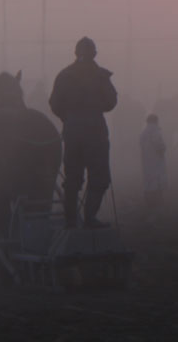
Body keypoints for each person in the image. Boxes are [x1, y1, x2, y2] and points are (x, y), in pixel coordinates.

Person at [49, 37, 118, 228]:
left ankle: (71, 221)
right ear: (94, 53)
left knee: (72, 179)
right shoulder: (100, 76)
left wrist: (68, 117)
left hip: (72, 133)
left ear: (75, 53)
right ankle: (89, 219)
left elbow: (54, 104)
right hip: (95, 132)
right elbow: (111, 103)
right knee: (100, 177)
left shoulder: (64, 75)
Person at [139, 113, 167, 209]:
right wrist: (163, 149)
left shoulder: (143, 132)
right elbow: (159, 145)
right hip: (156, 160)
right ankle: (157, 202)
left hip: (146, 160)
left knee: (148, 180)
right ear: (156, 121)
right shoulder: (155, 131)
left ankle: (149, 202)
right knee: (157, 179)